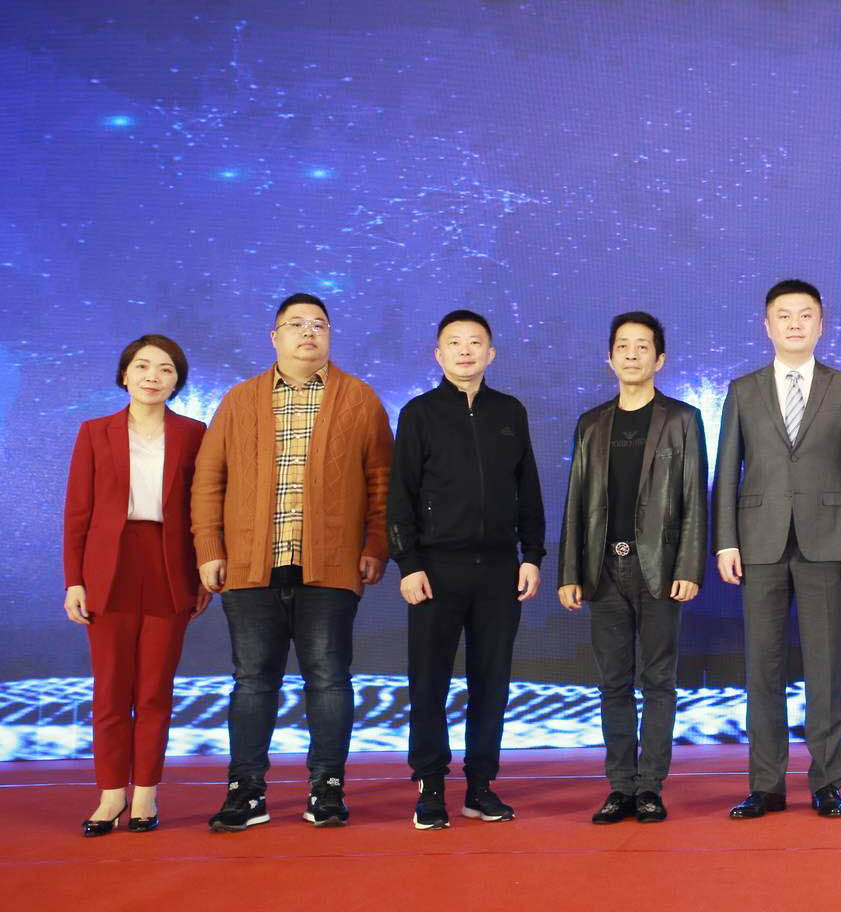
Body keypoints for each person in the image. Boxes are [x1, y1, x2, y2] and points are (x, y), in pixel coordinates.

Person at [192, 293, 391, 831]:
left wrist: (375, 546)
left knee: (329, 680)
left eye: (319, 325)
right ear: (274, 337)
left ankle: (327, 789)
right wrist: (210, 549)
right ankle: (246, 791)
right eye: (296, 324)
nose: (309, 332)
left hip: (330, 569)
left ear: (330, 336)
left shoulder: (360, 399)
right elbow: (209, 481)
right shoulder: (239, 399)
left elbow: (382, 482)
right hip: (249, 569)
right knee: (253, 682)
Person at [714, 279, 841, 819]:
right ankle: (766, 785)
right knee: (762, 668)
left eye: (805, 315)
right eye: (784, 315)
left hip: (826, 540)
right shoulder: (743, 390)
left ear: (821, 325)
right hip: (758, 542)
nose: (795, 324)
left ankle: (827, 783)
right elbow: (726, 471)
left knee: (825, 668)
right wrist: (725, 541)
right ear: (767, 326)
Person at [389, 310, 545, 831]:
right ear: (438, 354)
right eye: (454, 343)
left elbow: (528, 490)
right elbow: (400, 497)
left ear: (490, 353)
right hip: (436, 569)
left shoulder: (510, 412)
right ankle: (430, 787)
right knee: (428, 683)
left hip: (499, 570)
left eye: (475, 342)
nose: (465, 351)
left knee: (491, 682)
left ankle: (481, 785)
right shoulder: (419, 413)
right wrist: (408, 564)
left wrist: (532, 555)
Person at [559, 311, 708, 825]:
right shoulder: (591, 423)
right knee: (613, 684)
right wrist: (570, 571)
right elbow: (576, 502)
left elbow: (695, 498)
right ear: (609, 358)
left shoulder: (682, 420)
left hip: (660, 570)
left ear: (659, 359)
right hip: (603, 570)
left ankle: (650, 787)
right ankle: (620, 786)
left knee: (659, 681)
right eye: (622, 345)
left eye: (642, 346)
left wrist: (689, 566)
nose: (631, 354)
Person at [63, 335, 209, 836]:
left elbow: (203, 508)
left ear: (177, 381)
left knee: (154, 691)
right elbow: (77, 513)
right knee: (110, 690)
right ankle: (110, 794)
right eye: (142, 366)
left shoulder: (194, 433)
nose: (153, 376)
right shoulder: (94, 432)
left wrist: (203, 568)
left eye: (165, 369)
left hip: (170, 567)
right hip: (109, 570)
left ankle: (145, 792)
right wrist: (74, 580)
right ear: (124, 374)